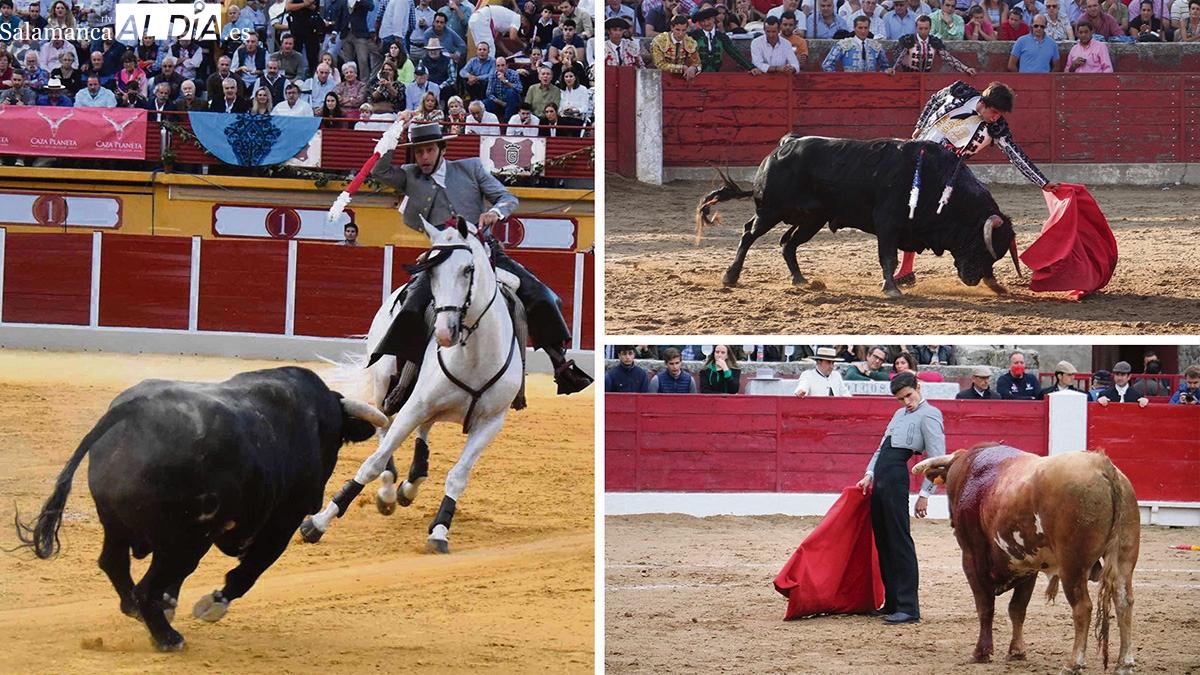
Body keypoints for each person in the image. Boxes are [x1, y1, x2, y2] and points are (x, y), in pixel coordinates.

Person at [368, 122, 591, 397]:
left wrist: (495, 212)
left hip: (485, 251)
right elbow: (378, 170)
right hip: (443, 258)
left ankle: (561, 365)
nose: (423, 157)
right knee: (411, 309)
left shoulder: (470, 168)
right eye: (418, 152)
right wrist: (396, 131)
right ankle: (402, 383)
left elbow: (507, 198)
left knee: (542, 295)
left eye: (429, 150)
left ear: (442, 149)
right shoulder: (409, 175)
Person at [895, 81, 1057, 285]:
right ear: (982, 102)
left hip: (947, 176)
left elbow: (1016, 155)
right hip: (916, 164)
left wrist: (1042, 182)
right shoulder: (959, 92)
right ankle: (906, 269)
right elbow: (935, 99)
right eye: (994, 111)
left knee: (975, 216)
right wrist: (920, 125)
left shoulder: (997, 127)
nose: (996, 117)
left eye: (1000, 114)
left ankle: (983, 268)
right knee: (909, 213)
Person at [855, 372, 944, 625]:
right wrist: (869, 474)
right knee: (884, 541)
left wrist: (926, 494)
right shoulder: (898, 415)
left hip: (896, 477)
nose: (906, 402)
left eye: (909, 395)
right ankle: (892, 602)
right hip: (882, 477)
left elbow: (937, 460)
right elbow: (882, 447)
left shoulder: (930, 414)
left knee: (899, 541)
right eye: (900, 398)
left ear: (918, 387)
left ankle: (909, 608)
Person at [894, 13, 976, 73]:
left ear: (930, 28)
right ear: (916, 28)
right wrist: (892, 68)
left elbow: (948, 58)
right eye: (920, 28)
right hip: (908, 78)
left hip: (926, 79)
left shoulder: (934, 42)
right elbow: (898, 57)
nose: (923, 31)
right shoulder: (908, 40)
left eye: (926, 28)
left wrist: (965, 69)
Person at [690, 7, 761, 74]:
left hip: (716, 75)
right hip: (697, 75)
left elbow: (735, 53)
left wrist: (750, 67)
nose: (706, 23)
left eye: (708, 19)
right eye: (703, 21)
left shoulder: (721, 36)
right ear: (699, 23)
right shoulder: (694, 36)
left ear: (713, 19)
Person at [823, 16, 891, 71]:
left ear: (869, 28)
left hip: (870, 84)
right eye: (860, 28)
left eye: (865, 28)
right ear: (854, 28)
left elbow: (885, 67)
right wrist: (838, 81)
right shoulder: (844, 44)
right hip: (849, 84)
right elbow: (827, 65)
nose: (863, 31)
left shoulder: (876, 46)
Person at [652, 14, 702, 80]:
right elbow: (660, 64)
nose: (680, 34)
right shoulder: (660, 41)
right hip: (660, 78)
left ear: (687, 29)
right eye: (677, 30)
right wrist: (681, 68)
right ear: (672, 28)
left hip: (683, 79)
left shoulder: (691, 42)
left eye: (683, 30)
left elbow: (697, 64)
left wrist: (694, 68)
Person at [486, 55, 523, 121]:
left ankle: (507, 120)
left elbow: (520, 89)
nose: (500, 68)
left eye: (503, 65)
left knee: (511, 92)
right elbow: (489, 94)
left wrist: (506, 82)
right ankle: (489, 122)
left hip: (513, 102)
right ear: (495, 67)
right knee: (485, 102)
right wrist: (501, 103)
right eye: (498, 66)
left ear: (507, 66)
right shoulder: (492, 75)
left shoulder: (513, 74)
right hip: (499, 102)